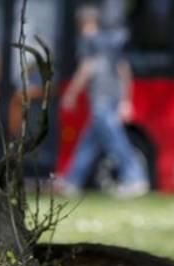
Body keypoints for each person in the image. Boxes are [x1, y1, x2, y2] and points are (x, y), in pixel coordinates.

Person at [56, 5, 149, 198]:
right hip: (112, 98)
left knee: (116, 142)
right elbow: (124, 70)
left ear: (84, 23)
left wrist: (71, 94)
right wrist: (125, 100)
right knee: (89, 143)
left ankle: (135, 179)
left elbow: (86, 69)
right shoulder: (111, 42)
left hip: (101, 99)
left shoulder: (88, 42)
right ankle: (72, 182)